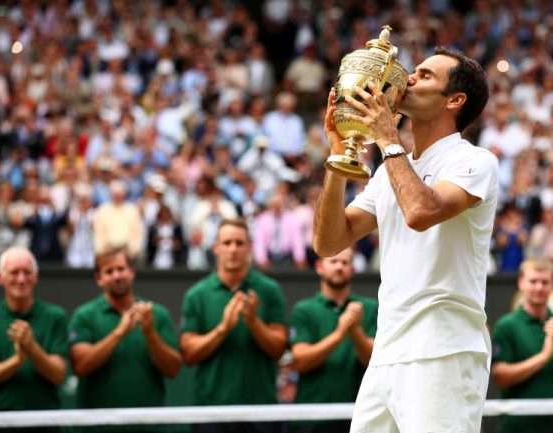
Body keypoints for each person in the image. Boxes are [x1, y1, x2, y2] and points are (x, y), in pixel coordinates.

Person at [313, 47, 496, 433]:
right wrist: (336, 156)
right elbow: (329, 242)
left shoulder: (476, 161)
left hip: (443, 350)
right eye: (414, 71)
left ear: (455, 100)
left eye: (426, 75)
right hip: (387, 351)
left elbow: (421, 212)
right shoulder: (388, 172)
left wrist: (385, 137)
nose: (409, 78)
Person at [180, 218, 287, 433]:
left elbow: (278, 349)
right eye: (227, 243)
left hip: (261, 411)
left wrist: (253, 322)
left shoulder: (270, 290)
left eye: (239, 243)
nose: (233, 249)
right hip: (210, 412)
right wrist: (223, 328)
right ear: (216, 248)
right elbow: (188, 354)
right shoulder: (196, 294)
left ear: (249, 247)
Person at [68, 247, 181, 420]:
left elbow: (173, 370)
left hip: (148, 425)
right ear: (99, 278)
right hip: (97, 426)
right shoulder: (84, 316)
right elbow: (80, 366)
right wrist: (119, 332)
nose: (116, 276)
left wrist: (150, 333)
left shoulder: (157, 314)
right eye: (109, 271)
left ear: (132, 272)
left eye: (121, 269)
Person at [289, 247, 378, 433]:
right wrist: (340, 333)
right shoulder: (303, 309)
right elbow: (300, 361)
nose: (339, 267)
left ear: (353, 270)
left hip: (359, 415)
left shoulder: (370, 308)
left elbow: (374, 361)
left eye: (345, 262)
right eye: (333, 261)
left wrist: (354, 330)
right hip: (310, 419)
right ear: (319, 266)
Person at [491, 259, 553, 432]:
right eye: (533, 281)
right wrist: (543, 357)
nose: (539, 287)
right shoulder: (506, 325)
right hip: (517, 427)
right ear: (521, 283)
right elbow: (500, 377)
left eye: (545, 282)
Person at [0, 247, 67, 430]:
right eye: (14, 272)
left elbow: (58, 375)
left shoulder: (55, 316)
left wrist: (31, 347)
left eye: (27, 272)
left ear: (36, 277)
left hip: (45, 425)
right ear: (0, 277)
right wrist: (18, 359)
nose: (21, 279)